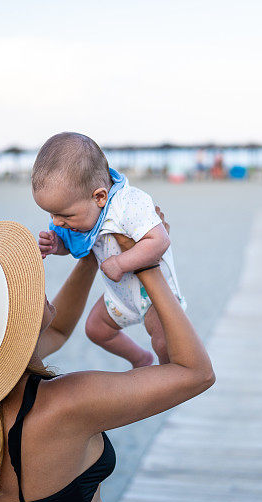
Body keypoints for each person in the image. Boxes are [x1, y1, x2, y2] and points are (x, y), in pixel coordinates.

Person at [0, 220, 213, 502]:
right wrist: (147, 266)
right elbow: (196, 373)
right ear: (12, 318)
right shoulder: (68, 403)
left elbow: (58, 329)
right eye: (22, 285)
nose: (35, 284)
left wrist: (94, 251)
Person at [33, 132, 186, 368]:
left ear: (100, 197)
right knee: (96, 329)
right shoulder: (84, 213)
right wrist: (58, 245)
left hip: (153, 296)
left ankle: (168, 375)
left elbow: (159, 240)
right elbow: (76, 247)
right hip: (120, 297)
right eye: (51, 214)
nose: (56, 222)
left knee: (163, 343)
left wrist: (121, 263)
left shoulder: (129, 203)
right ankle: (140, 359)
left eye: (64, 215)